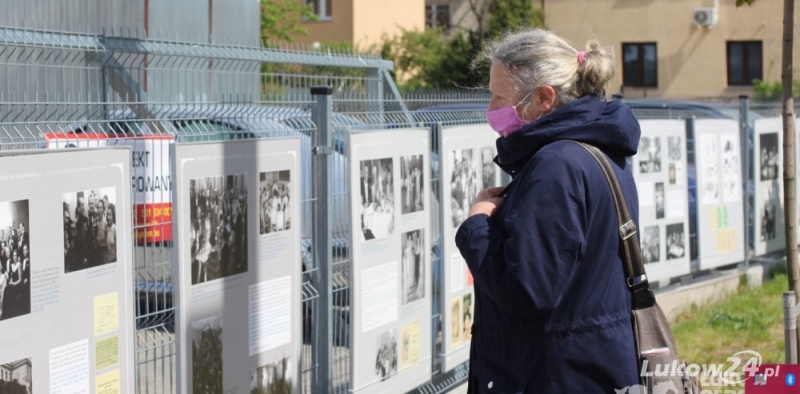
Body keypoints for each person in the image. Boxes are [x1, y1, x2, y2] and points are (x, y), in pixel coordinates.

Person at [455, 29, 640, 393]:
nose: (492, 110)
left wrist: (477, 223)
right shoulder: (595, 150)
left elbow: (526, 291)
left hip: (553, 374)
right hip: (586, 365)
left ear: (543, 98)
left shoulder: (556, 164)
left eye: (499, 97)